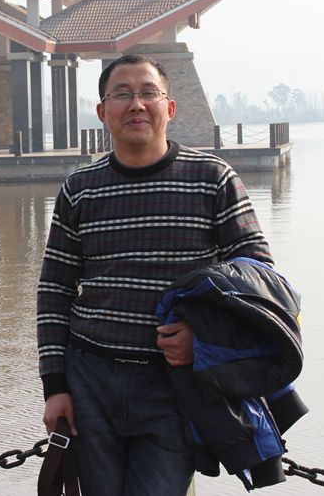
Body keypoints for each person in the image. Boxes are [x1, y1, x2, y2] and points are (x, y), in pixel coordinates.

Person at [37, 54, 273, 495]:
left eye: (149, 93)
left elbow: (259, 275)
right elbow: (54, 289)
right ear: (102, 111)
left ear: (170, 107)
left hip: (173, 384)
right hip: (89, 381)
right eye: (122, 94)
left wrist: (202, 335)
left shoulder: (213, 179)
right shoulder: (79, 189)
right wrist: (55, 386)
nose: (136, 104)